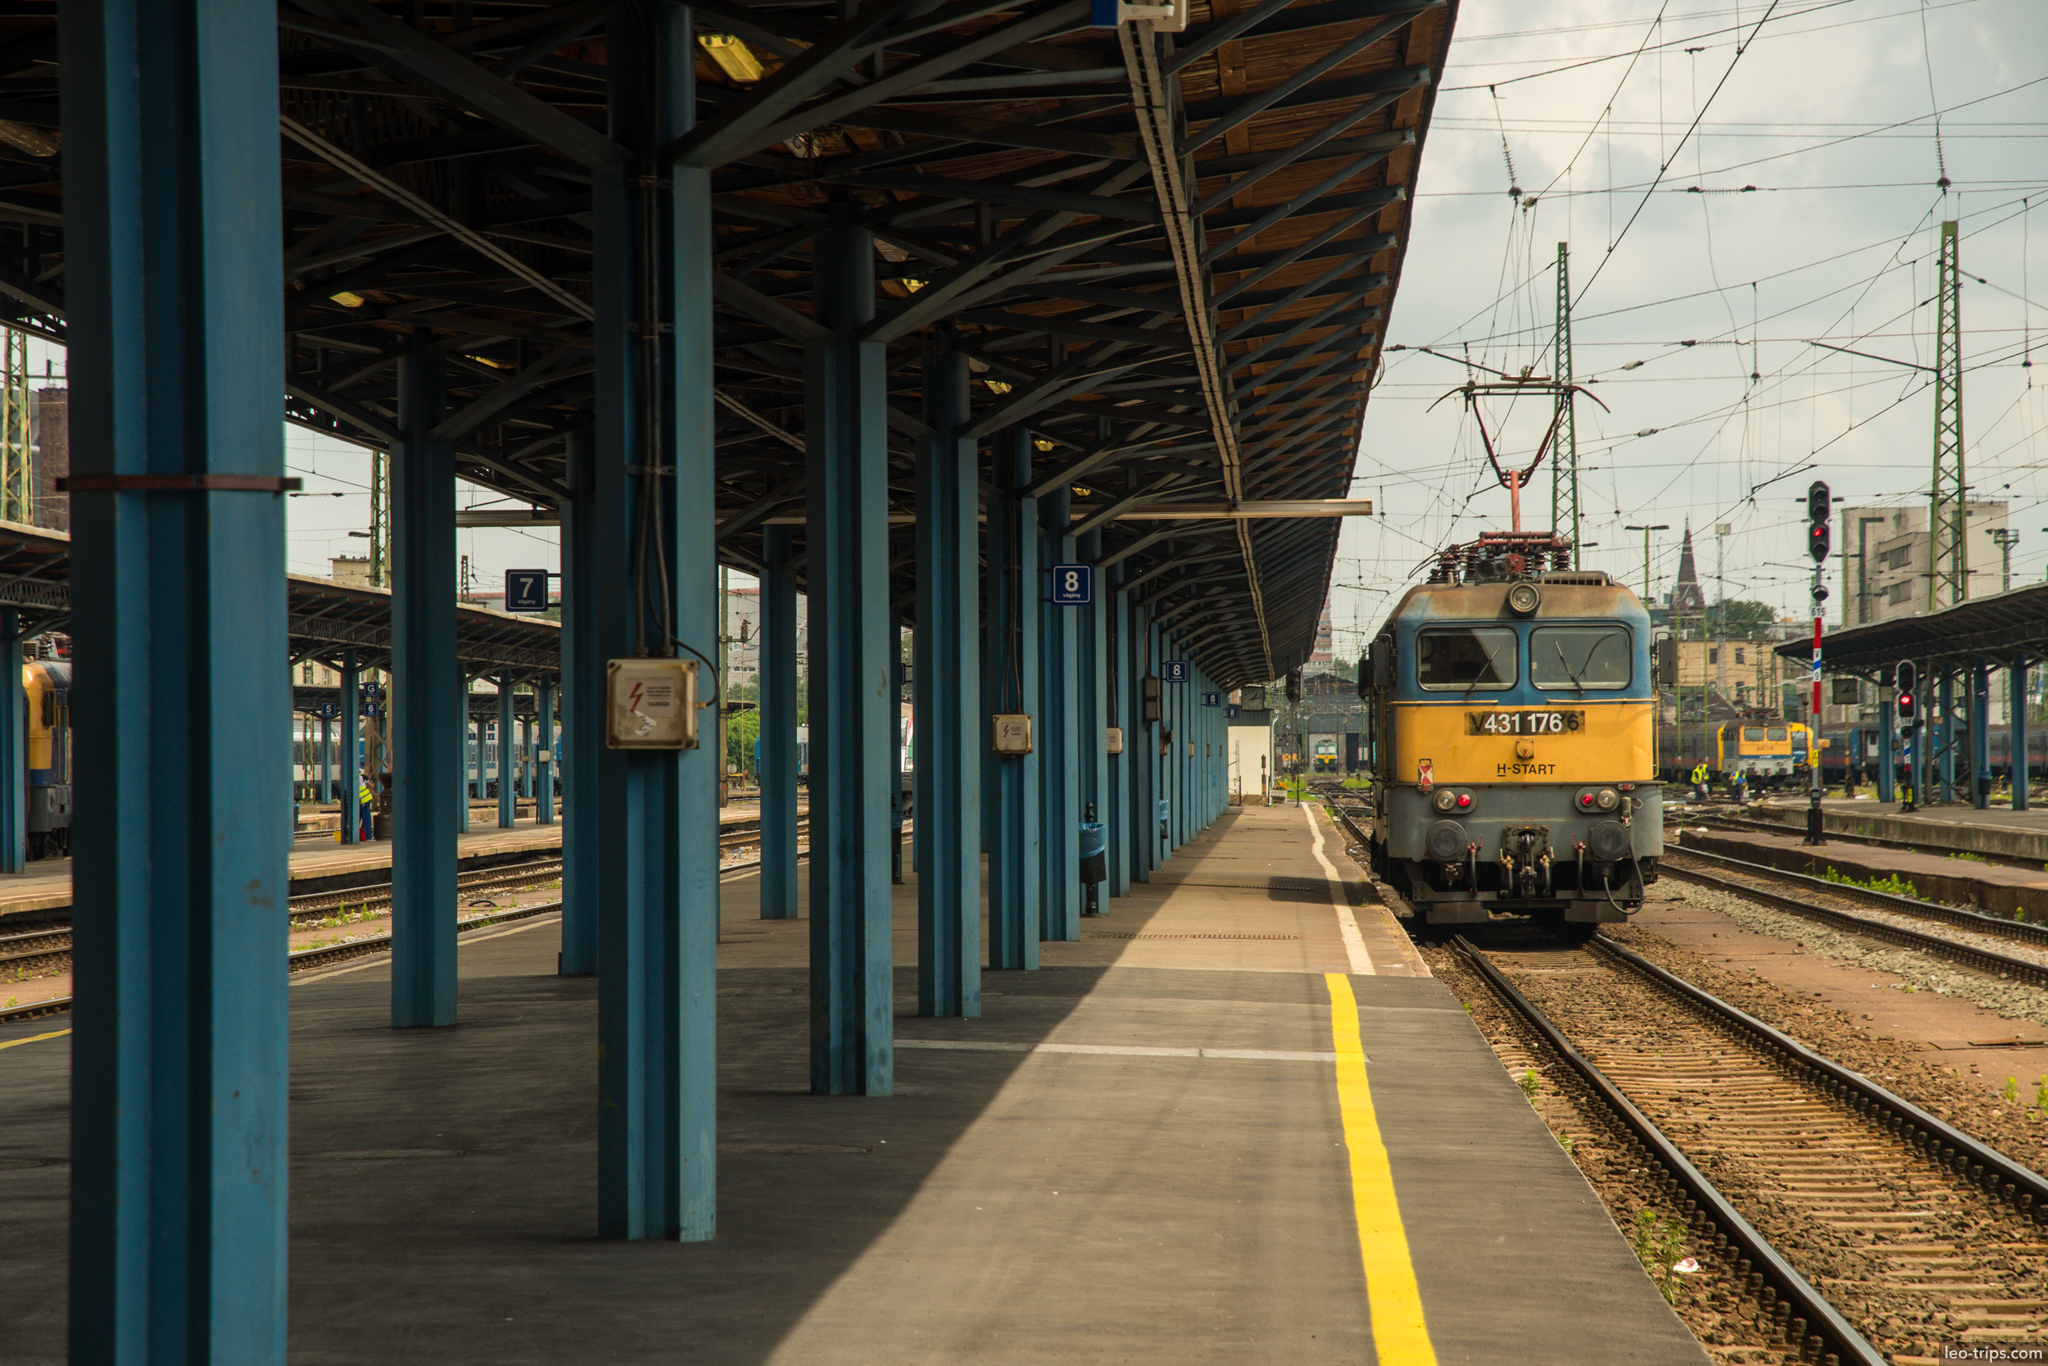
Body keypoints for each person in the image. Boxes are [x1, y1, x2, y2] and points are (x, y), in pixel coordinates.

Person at [358, 771, 376, 842]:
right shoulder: (362, 777)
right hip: (365, 800)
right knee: (366, 819)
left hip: (358, 801)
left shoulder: (351, 778)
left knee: (357, 819)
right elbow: (372, 786)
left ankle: (356, 835)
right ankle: (368, 836)